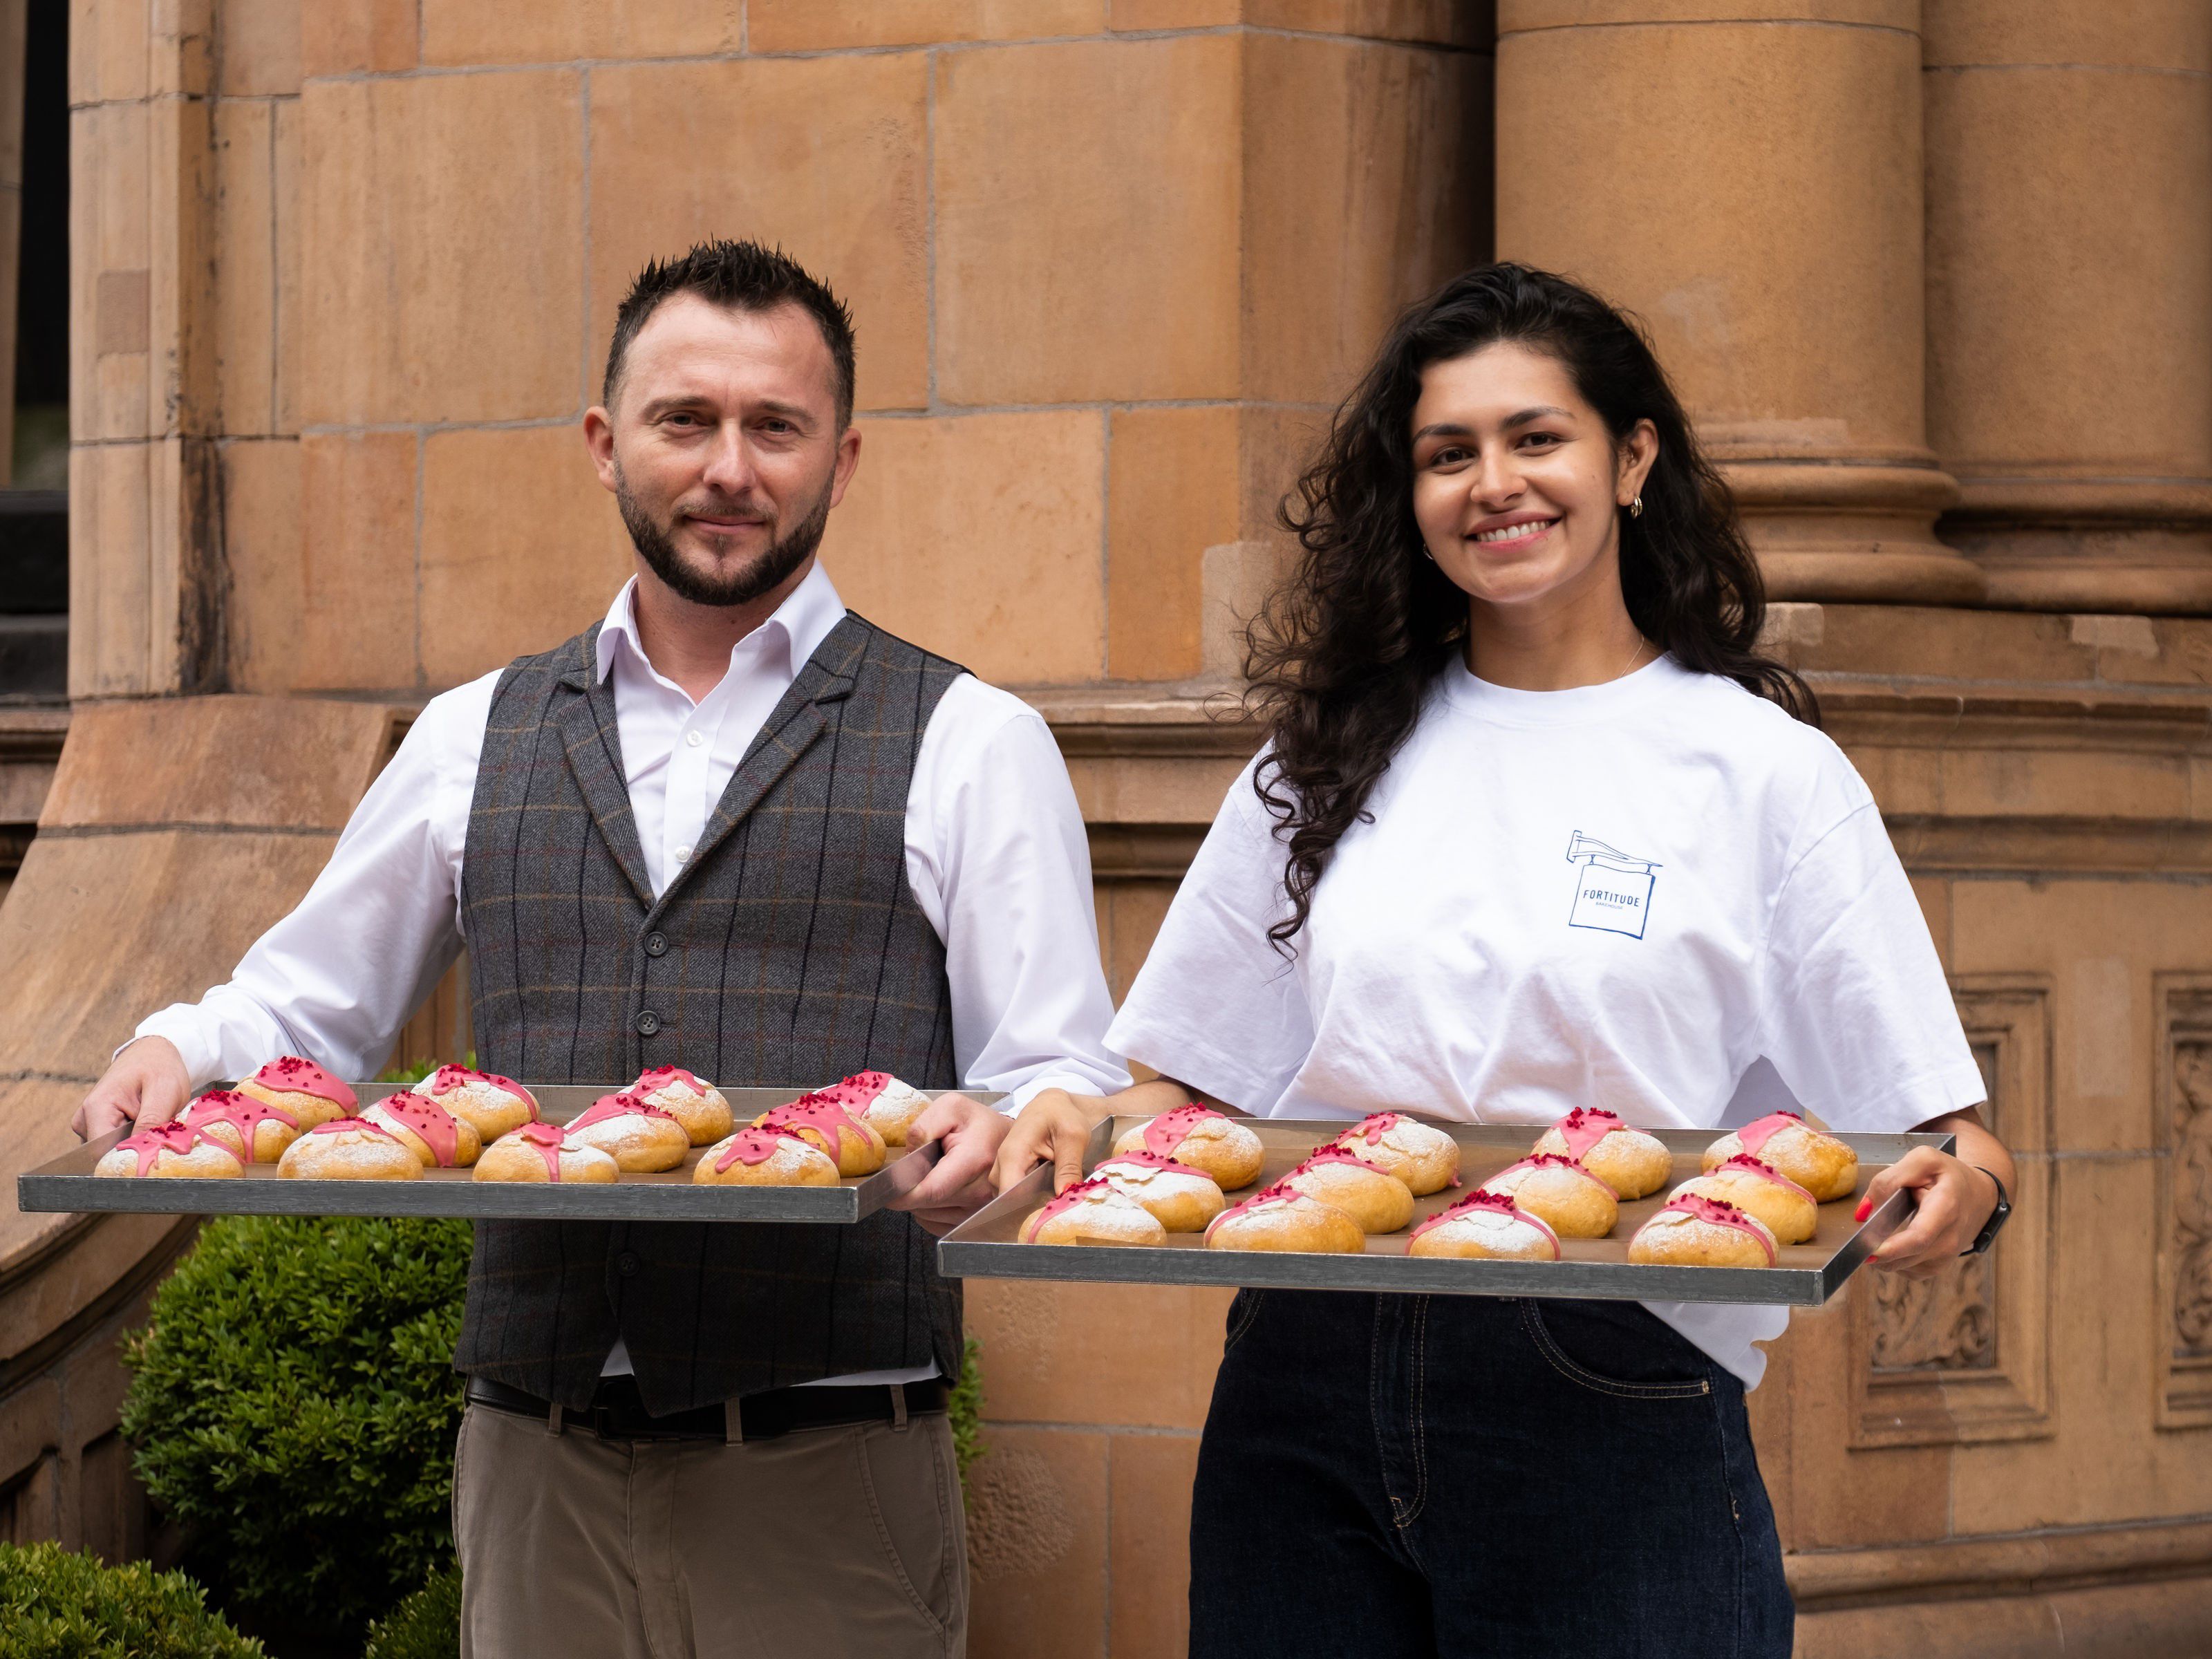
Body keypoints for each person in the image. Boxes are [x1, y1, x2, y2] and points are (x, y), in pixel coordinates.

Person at [74, 238, 1128, 1658]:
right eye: (685, 421)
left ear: (845, 456)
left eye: (776, 426)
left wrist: (988, 1164)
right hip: (537, 1457)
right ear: (603, 441)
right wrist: (178, 1044)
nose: (729, 468)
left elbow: (1055, 1071)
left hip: (824, 1461)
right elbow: (305, 1006)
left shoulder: (969, 738)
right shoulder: (472, 733)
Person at [995, 263, 2014, 1658]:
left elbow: (1948, 1138)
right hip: (1304, 1380)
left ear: (1631, 457)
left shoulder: (1759, 774)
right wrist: (1062, 1124)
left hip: (1608, 1384)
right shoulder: (1323, 758)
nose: (1494, 483)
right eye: (1446, 453)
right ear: (1407, 496)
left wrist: (1952, 1190)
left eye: (1536, 438)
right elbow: (1175, 1094)